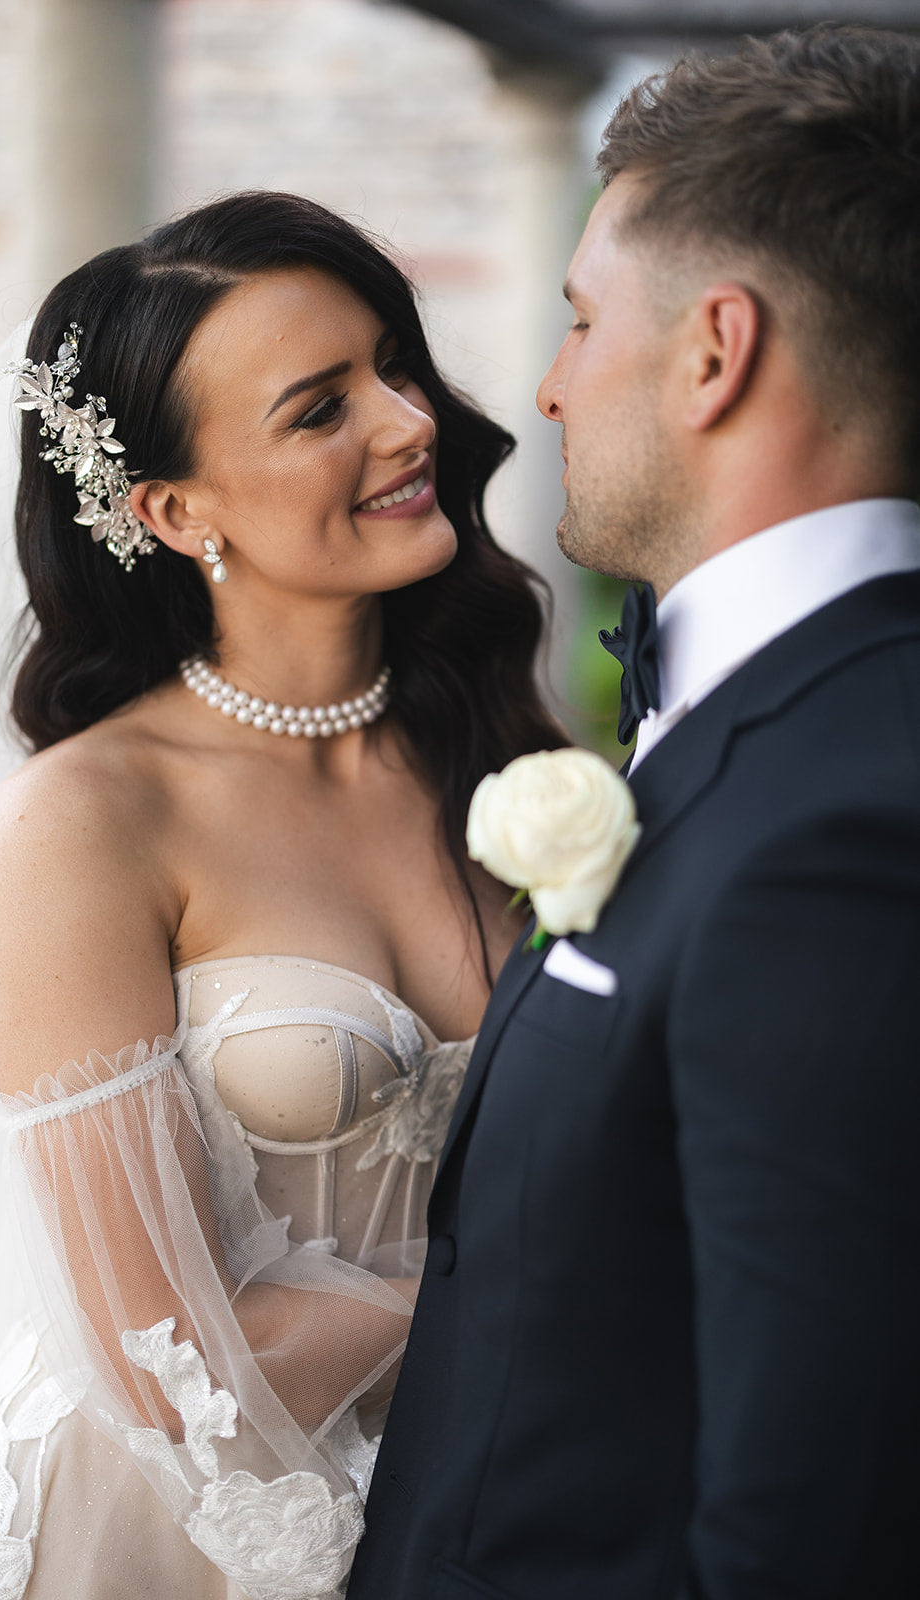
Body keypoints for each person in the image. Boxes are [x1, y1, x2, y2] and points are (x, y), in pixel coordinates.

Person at [0, 191, 564, 1600]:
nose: (410, 421)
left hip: (490, 1497)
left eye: (393, 366)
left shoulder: (503, 751)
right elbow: (159, 1360)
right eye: (319, 410)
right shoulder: (89, 819)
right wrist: (543, 1296)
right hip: (158, 1535)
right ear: (172, 510)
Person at [349, 24, 920, 1600]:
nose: (541, 389)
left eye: (582, 319)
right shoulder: (770, 715)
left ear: (714, 349)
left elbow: (815, 1512)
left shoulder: (851, 825)